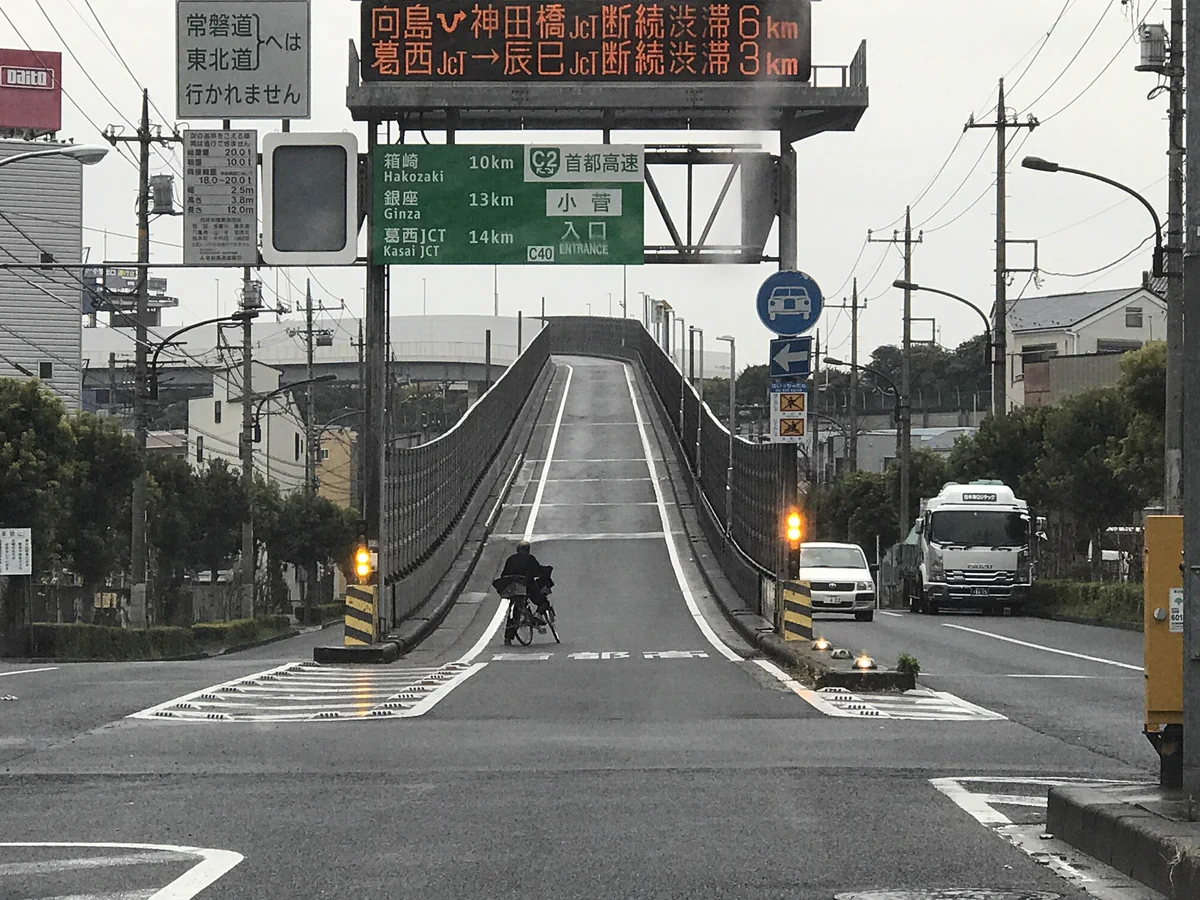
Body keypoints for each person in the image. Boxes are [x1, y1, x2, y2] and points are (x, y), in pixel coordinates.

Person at [496, 540, 553, 644]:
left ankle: (508, 637)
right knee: (543, 602)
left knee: (516, 610)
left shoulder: (510, 559)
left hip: (512, 588)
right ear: (528, 550)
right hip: (527, 586)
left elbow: (504, 574)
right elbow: (537, 571)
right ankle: (538, 614)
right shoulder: (530, 558)